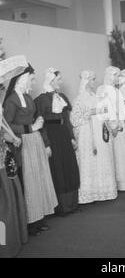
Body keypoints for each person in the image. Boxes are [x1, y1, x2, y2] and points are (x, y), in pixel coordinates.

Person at [4, 65, 58, 236]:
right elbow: (6, 126)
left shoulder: (27, 97)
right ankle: (30, 222)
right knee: (28, 182)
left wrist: (45, 141)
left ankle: (39, 217)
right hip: (23, 144)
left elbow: (35, 121)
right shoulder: (11, 100)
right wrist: (29, 127)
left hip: (35, 142)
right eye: (32, 79)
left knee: (38, 180)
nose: (34, 83)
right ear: (21, 79)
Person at [34, 68, 80, 216]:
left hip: (64, 135)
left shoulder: (62, 97)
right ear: (51, 80)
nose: (61, 81)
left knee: (69, 167)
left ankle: (72, 204)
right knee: (58, 169)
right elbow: (41, 125)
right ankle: (61, 207)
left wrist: (72, 137)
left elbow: (66, 120)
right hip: (52, 137)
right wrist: (46, 144)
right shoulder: (41, 100)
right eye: (58, 79)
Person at [70, 70, 117, 204]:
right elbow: (74, 118)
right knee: (89, 160)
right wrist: (93, 112)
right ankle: (89, 191)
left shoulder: (95, 96)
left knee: (102, 158)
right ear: (86, 81)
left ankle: (103, 190)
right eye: (93, 79)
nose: (95, 82)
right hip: (87, 133)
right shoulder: (80, 98)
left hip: (99, 131)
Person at [0, 64, 28, 256]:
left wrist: (9, 136)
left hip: (3, 154)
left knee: (8, 196)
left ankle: (7, 241)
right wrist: (8, 137)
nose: (2, 89)